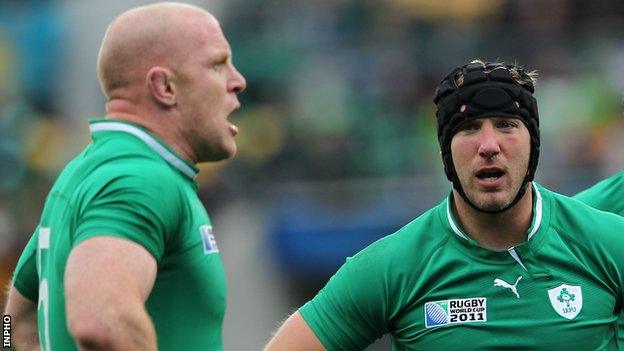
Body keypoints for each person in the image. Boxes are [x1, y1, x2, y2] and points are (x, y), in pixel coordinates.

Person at [264, 59, 624, 350]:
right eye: (468, 128)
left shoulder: (606, 242)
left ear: (533, 145)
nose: (488, 144)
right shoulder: (394, 267)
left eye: (506, 124)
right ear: (445, 153)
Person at [3, 2, 246, 350]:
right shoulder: (140, 180)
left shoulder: (80, 174)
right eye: (218, 64)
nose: (238, 81)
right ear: (165, 87)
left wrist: (9, 343)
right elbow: (101, 322)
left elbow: (14, 316)